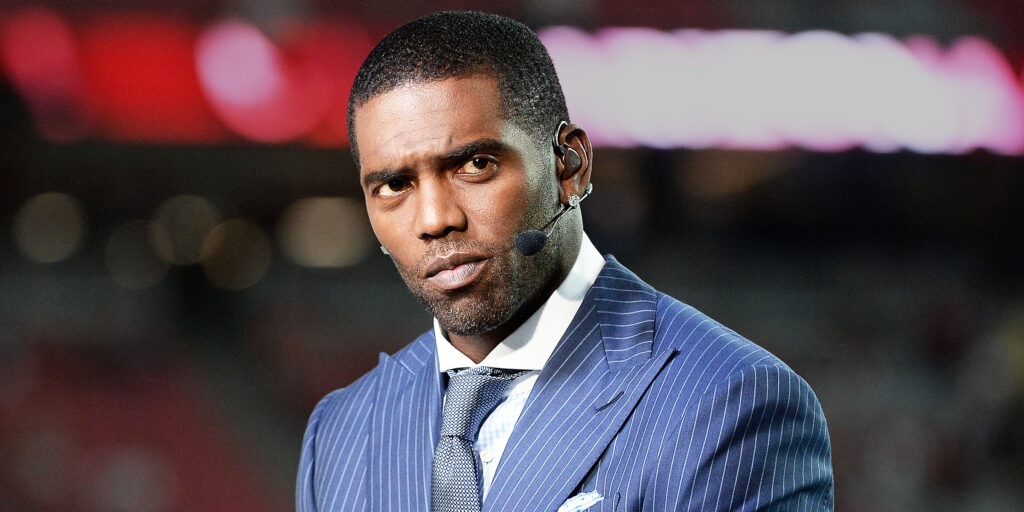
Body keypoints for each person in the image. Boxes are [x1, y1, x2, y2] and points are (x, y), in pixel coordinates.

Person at [297, 10, 833, 512]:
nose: (435, 219)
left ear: (569, 166)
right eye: (394, 185)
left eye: (476, 165)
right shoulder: (338, 432)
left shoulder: (732, 401)